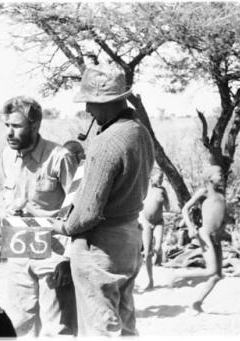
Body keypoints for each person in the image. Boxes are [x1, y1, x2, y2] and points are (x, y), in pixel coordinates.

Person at [51, 65, 155, 336]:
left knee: (99, 326)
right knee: (125, 321)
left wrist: (61, 227)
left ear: (103, 102)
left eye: (90, 102)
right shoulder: (139, 132)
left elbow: (85, 214)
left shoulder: (107, 142)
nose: (88, 109)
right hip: (130, 236)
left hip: (101, 246)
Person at [0, 96, 78, 336]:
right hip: (19, 245)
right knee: (20, 322)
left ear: (35, 126)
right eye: (7, 126)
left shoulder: (60, 157)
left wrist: (68, 259)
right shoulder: (7, 156)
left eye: (17, 126)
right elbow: (7, 198)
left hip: (54, 250)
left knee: (56, 327)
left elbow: (77, 210)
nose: (9, 133)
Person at [168, 165, 227, 315]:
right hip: (205, 234)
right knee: (211, 270)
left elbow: (221, 215)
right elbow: (185, 209)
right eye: (219, 174)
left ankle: (197, 303)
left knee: (217, 275)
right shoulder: (204, 192)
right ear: (209, 178)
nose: (222, 176)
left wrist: (226, 230)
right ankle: (178, 275)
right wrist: (190, 226)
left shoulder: (221, 194)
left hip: (216, 236)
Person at [140, 169, 169, 289]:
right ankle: (150, 280)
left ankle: (159, 252)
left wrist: (164, 201)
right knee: (147, 253)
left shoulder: (163, 190)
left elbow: (168, 207)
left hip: (158, 222)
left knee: (157, 247)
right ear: (152, 177)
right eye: (159, 177)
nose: (161, 180)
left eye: (162, 178)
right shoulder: (145, 189)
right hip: (146, 222)